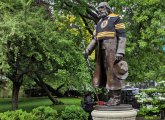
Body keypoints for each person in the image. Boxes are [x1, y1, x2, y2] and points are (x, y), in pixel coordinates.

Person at [83, 2, 128, 106]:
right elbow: (95, 39)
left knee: (113, 73)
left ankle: (116, 98)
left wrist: (120, 51)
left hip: (112, 49)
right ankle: (110, 96)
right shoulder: (99, 23)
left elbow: (122, 36)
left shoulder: (116, 18)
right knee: (104, 73)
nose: (99, 10)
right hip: (101, 51)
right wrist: (87, 50)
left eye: (101, 8)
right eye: (98, 8)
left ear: (107, 8)